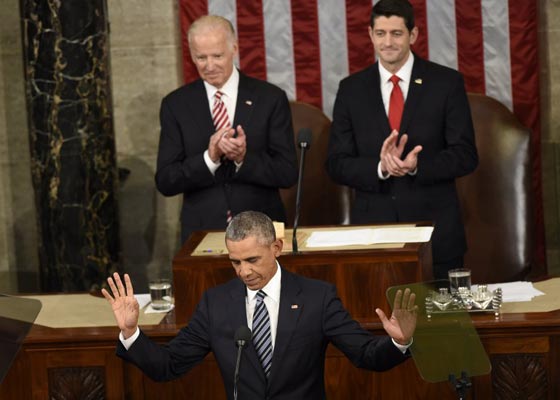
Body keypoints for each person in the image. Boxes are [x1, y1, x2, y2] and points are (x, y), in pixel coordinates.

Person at [102, 211, 418, 399]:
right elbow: (168, 366)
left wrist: (399, 342)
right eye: (235, 262)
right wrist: (131, 333)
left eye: (252, 260)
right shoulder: (216, 304)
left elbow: (365, 355)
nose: (244, 272)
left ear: (276, 247)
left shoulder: (316, 298)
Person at [326, 0, 478, 280]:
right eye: (380, 33)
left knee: (440, 310)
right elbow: (337, 163)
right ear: (370, 34)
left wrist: (418, 166)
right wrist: (380, 167)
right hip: (374, 236)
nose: (388, 42)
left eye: (396, 33)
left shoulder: (446, 83)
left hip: (436, 235)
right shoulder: (351, 90)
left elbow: (466, 155)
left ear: (413, 34)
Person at [155, 15, 298, 244]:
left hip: (260, 232)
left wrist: (243, 158)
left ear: (234, 49)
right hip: (202, 233)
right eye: (201, 57)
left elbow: (287, 173)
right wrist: (209, 158)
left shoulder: (269, 98)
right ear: (191, 55)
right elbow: (166, 181)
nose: (210, 66)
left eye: (217, 56)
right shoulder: (176, 105)